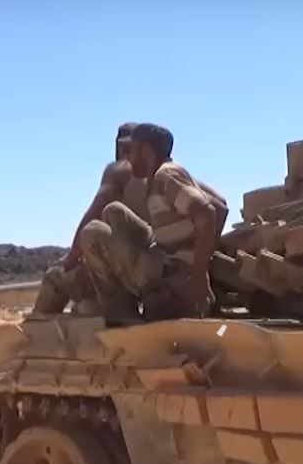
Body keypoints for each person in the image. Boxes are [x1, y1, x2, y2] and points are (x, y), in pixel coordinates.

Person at [79, 123, 228, 321]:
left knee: (92, 233)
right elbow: (221, 208)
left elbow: (207, 213)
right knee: (113, 212)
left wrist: (198, 275)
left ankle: (121, 314)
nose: (128, 158)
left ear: (146, 152)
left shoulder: (166, 176)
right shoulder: (161, 176)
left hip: (170, 275)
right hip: (162, 258)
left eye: (131, 151)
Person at [33, 123, 150, 315]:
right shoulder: (166, 173)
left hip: (131, 270)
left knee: (56, 276)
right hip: (155, 269)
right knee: (86, 305)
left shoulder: (119, 170)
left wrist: (71, 258)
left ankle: (36, 329)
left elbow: (94, 213)